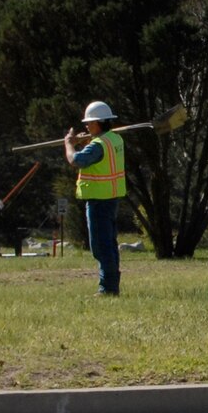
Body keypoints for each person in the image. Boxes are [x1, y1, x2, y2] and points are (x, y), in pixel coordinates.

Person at [64, 100, 127, 295]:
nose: (86, 126)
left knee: (100, 246)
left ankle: (107, 288)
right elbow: (98, 154)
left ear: (98, 123)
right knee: (109, 243)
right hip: (111, 197)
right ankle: (111, 285)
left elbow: (76, 160)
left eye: (89, 123)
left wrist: (69, 144)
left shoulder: (98, 145)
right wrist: (86, 142)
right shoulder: (115, 139)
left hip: (99, 201)